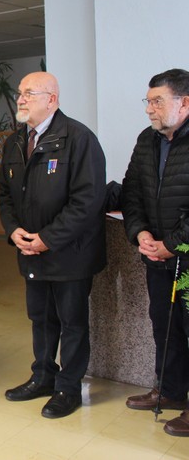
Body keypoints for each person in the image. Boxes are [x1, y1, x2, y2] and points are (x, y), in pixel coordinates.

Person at [0, 71, 106, 419]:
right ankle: (42, 376)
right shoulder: (15, 141)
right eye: (19, 93)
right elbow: (4, 195)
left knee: (72, 322)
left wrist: (47, 239)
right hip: (30, 251)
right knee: (40, 319)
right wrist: (14, 231)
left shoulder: (78, 138)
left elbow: (87, 202)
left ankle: (68, 388)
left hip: (70, 254)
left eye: (30, 93)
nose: (21, 99)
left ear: (53, 99)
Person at [121, 68, 189, 437]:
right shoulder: (147, 141)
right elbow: (131, 193)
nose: (149, 110)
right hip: (158, 258)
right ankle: (171, 390)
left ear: (185, 102)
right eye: (147, 102)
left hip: (185, 257)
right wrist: (141, 234)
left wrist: (172, 243)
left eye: (157, 101)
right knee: (165, 325)